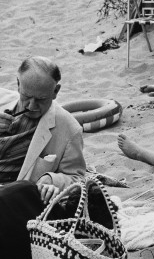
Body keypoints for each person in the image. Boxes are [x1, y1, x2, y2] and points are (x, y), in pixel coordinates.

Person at [0, 56, 86, 259]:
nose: (31, 106)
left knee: (20, 190)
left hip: (18, 203)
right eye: (26, 96)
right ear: (18, 83)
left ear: (55, 92)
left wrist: (52, 179)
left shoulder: (68, 128)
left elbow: (78, 178)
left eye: (40, 100)